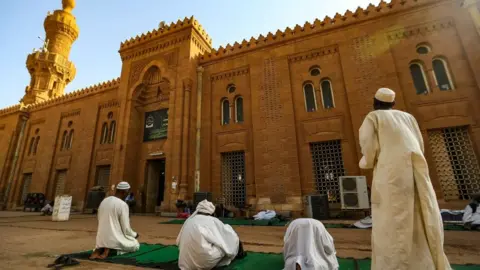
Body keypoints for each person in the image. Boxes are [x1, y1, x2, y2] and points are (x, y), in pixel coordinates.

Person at [359, 88, 451, 270]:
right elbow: (419, 144)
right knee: (421, 215)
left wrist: (366, 162)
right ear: (393, 104)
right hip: (416, 172)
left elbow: (368, 148)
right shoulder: (408, 118)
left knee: (392, 222)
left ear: (375, 103)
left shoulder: (374, 117)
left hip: (390, 175)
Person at [176, 199, 246, 270]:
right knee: (227, 241)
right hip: (204, 263)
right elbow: (226, 236)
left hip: (185, 263)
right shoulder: (212, 221)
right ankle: (239, 253)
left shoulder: (189, 221)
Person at [90, 181, 140, 259]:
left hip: (101, 240)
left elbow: (99, 218)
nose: (128, 194)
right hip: (114, 240)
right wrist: (135, 235)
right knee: (135, 244)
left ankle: (100, 249)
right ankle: (111, 251)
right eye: (128, 192)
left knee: (107, 239)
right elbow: (126, 228)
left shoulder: (104, 201)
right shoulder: (123, 204)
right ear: (124, 192)